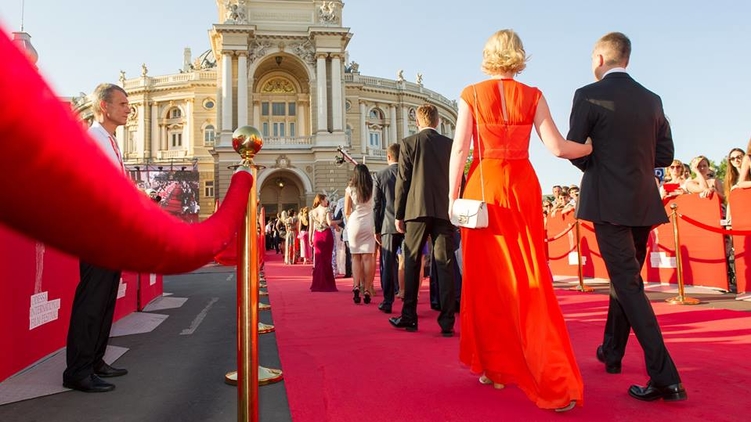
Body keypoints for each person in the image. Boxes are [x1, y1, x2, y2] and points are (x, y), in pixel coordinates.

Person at [447, 29, 590, 412]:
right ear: (519, 55)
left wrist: (452, 197)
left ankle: (494, 368)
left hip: (484, 188)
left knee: (487, 280)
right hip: (522, 187)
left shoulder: (471, 94)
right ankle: (549, 374)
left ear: (488, 55)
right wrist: (590, 147)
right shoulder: (533, 95)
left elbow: (460, 149)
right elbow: (557, 148)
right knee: (528, 276)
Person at [567, 32, 687, 402]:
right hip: (643, 203)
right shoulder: (652, 99)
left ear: (600, 58)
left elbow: (575, 148)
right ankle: (612, 351)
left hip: (607, 203)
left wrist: (598, 166)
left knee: (629, 286)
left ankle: (666, 377)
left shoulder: (587, 94)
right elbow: (665, 155)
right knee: (625, 280)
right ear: (627, 60)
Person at [63, 83, 131, 393]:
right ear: (104, 106)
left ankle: (94, 361)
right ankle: (77, 371)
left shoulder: (111, 141)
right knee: (92, 301)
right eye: (122, 103)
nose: (128, 109)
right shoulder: (91, 140)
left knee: (105, 300)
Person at [390, 103, 455, 336]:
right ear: (438, 121)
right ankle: (447, 322)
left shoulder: (409, 143)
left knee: (412, 261)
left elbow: (403, 181)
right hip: (444, 211)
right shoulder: (450, 145)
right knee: (444, 263)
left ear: (417, 122)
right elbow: (459, 177)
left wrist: (399, 214)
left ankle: (409, 317)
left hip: (415, 210)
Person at [373, 143, 402, 313]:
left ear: (388, 156)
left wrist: (376, 228)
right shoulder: (409, 173)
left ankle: (388, 301)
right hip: (408, 225)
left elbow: (376, 205)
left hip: (388, 225)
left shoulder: (380, 175)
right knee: (409, 263)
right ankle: (409, 300)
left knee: (388, 264)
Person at [345, 164, 377, 304]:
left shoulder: (350, 189)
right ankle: (367, 289)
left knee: (355, 257)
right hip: (369, 222)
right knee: (368, 258)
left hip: (355, 222)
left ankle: (356, 286)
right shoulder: (373, 187)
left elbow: (347, 211)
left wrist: (350, 222)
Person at [309, 194, 337, 292]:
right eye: (325, 200)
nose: (327, 202)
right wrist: (340, 221)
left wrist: (310, 239)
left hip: (317, 236)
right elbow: (329, 223)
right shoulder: (327, 210)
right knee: (327, 260)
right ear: (321, 201)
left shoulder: (312, 212)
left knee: (318, 260)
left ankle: (317, 284)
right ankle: (327, 284)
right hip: (326, 235)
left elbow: (311, 228)